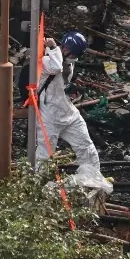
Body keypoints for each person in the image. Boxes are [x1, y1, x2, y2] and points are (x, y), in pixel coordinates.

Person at [34, 31, 101, 171]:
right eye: (70, 52)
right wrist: (52, 48)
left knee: (86, 146)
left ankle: (93, 178)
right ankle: (38, 186)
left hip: (68, 113)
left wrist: (72, 90)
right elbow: (56, 67)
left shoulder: (68, 62)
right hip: (50, 116)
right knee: (45, 156)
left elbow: (62, 78)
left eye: (75, 54)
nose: (73, 57)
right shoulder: (47, 60)